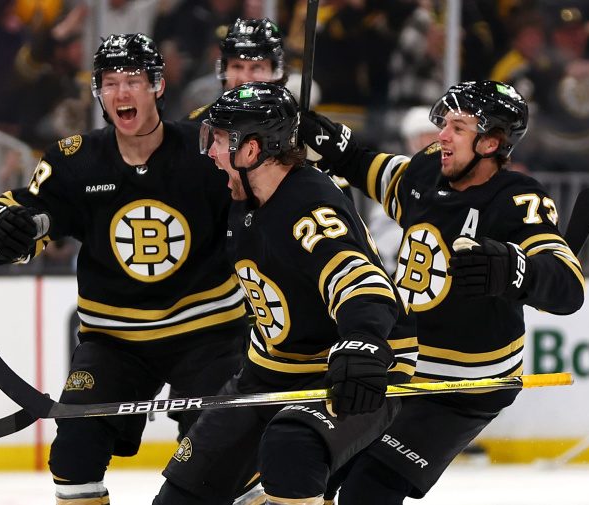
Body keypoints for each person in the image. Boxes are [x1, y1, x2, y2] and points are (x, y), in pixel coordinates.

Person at [0, 33, 249, 505]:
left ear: (158, 86)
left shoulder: (205, 151)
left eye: (134, 81)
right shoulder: (74, 160)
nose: (122, 93)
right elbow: (28, 212)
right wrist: (3, 231)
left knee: (217, 454)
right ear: (97, 92)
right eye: (110, 82)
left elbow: (261, 206)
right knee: (73, 456)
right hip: (116, 344)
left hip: (211, 336)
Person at [299, 80, 586, 503]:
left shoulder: (518, 200)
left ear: (490, 143)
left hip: (466, 386)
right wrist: (338, 148)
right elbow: (373, 170)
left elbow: (569, 286)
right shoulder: (428, 168)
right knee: (319, 470)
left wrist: (517, 271)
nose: (442, 136)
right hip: (404, 363)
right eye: (444, 124)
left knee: (368, 489)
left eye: (457, 128)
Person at [153, 82, 418, 505]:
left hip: (345, 369)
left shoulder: (308, 207)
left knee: (291, 446)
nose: (212, 153)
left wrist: (362, 342)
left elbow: (363, 284)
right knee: (184, 491)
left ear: (252, 150)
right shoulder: (243, 193)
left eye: (220, 140)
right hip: (269, 369)